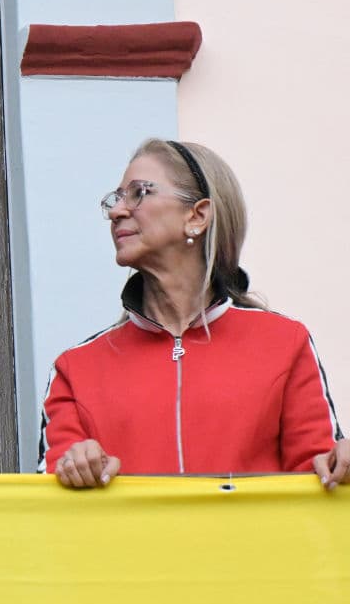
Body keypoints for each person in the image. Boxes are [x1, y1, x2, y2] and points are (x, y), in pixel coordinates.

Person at [38, 138, 349, 489]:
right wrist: (74, 467)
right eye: (116, 198)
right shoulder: (74, 369)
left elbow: (320, 480)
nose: (116, 212)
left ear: (197, 216)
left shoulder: (286, 344)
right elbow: (51, 500)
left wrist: (341, 463)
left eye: (139, 193)